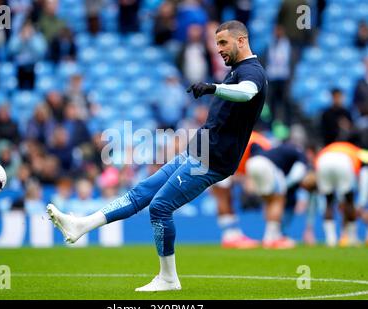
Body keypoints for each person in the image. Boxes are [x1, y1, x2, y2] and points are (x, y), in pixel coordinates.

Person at [47, 20, 267, 291]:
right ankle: (81, 224)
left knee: (160, 207)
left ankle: (168, 278)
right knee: (140, 193)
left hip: (212, 160)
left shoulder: (252, 71)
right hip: (198, 151)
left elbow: (248, 93)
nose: (218, 48)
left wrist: (213, 88)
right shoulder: (236, 71)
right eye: (216, 43)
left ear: (241, 41)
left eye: (223, 43)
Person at [245, 142, 308, 248]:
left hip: (252, 163)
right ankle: (273, 238)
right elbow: (297, 174)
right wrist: (285, 185)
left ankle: (269, 236)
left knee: (269, 201)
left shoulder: (281, 150)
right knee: (278, 200)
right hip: (266, 165)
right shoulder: (301, 155)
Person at [314, 142, 368, 247]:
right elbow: (364, 172)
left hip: (322, 161)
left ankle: (331, 239)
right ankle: (352, 237)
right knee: (349, 201)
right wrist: (361, 202)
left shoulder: (331, 147)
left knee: (328, 201)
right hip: (344, 162)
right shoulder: (358, 151)